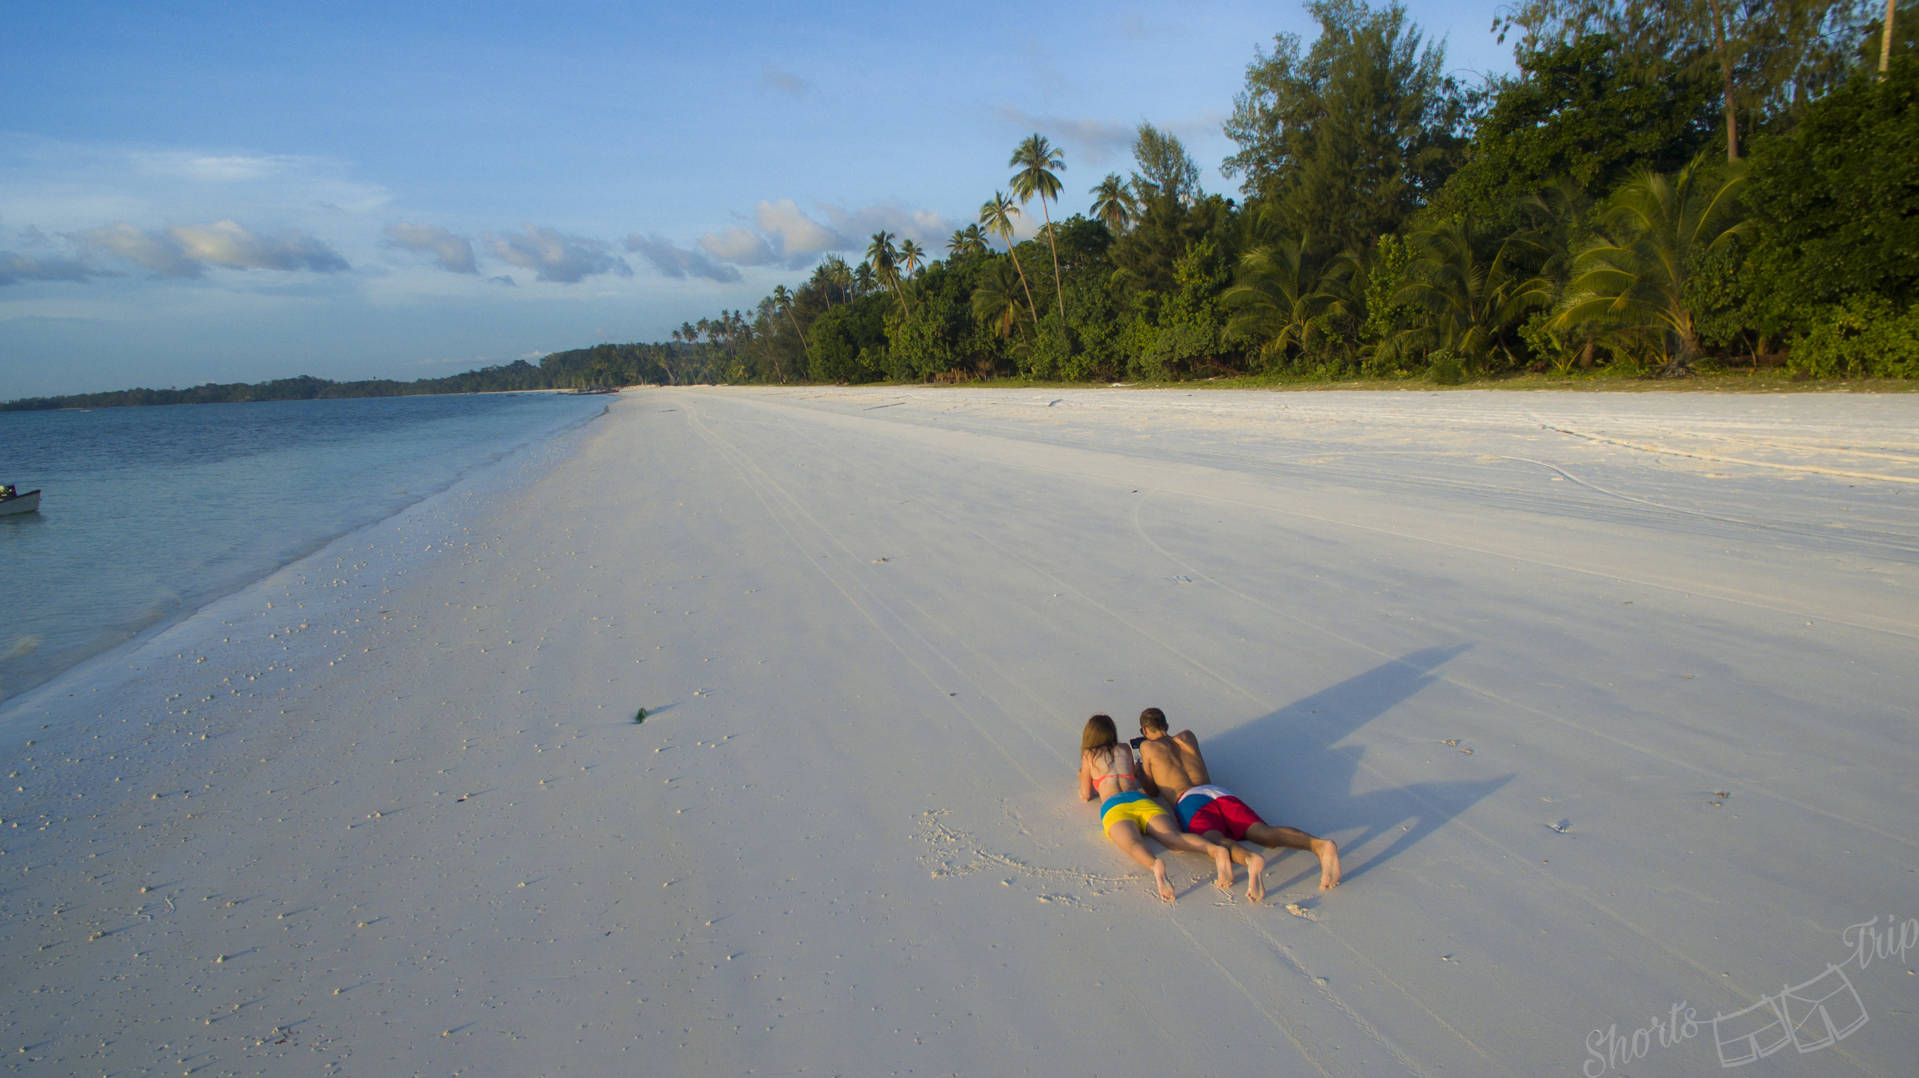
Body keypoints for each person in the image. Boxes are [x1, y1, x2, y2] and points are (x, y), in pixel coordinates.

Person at [1134, 706, 1341, 900]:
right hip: (1218, 792)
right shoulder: (1187, 736)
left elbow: (1152, 790)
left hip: (1189, 799)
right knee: (1263, 832)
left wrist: (1139, 773)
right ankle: (1319, 845)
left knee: (1215, 839)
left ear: (1144, 730)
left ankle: (1250, 859)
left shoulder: (1147, 746)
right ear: (1167, 726)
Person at [1077, 714, 1236, 903]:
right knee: (1173, 838)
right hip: (1140, 799)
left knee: (1134, 844)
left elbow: (1086, 795)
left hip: (1115, 806)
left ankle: (1154, 865)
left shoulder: (1089, 756)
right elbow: (1132, 774)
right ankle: (1214, 850)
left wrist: (1083, 777)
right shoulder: (1125, 749)